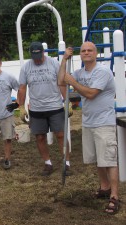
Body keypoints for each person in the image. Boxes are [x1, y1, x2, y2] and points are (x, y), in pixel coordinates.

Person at [58, 42, 119, 214]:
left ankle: (114, 196)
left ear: (96, 53)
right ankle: (104, 187)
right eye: (83, 50)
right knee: (98, 160)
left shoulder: (103, 71)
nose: (86, 53)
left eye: (89, 50)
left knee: (109, 160)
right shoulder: (80, 72)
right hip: (88, 122)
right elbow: (61, 80)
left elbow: (91, 94)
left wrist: (72, 82)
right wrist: (64, 60)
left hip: (104, 123)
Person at [18, 42, 71, 176]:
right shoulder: (26, 68)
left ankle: (67, 163)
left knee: (60, 135)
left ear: (43, 52)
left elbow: (62, 83)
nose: (37, 59)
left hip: (55, 106)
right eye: (34, 56)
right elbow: (22, 88)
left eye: (39, 55)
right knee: (40, 137)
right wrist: (21, 106)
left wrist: (67, 101)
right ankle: (47, 163)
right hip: (36, 109)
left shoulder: (53, 64)